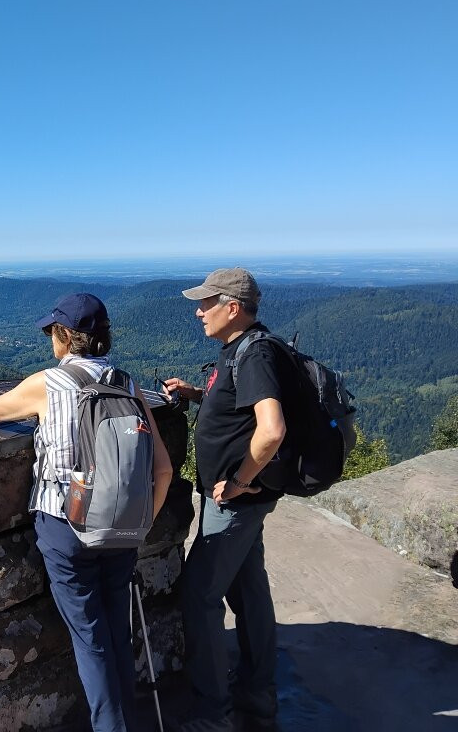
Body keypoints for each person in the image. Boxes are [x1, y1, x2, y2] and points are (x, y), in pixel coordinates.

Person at [0, 292, 173, 732]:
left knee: (91, 640)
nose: (51, 336)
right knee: (117, 631)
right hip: (122, 526)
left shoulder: (48, 383)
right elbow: (162, 469)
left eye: (54, 330)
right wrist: (138, 526)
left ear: (66, 337)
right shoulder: (126, 384)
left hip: (65, 526)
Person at [164, 268, 295, 732]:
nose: (199, 311)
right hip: (244, 502)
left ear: (232, 307)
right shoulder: (240, 350)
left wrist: (239, 481)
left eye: (206, 303)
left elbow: (271, 429)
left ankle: (211, 712)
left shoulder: (253, 352)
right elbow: (239, 408)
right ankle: (257, 693)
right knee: (248, 589)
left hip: (237, 502)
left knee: (199, 595)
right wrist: (198, 394)